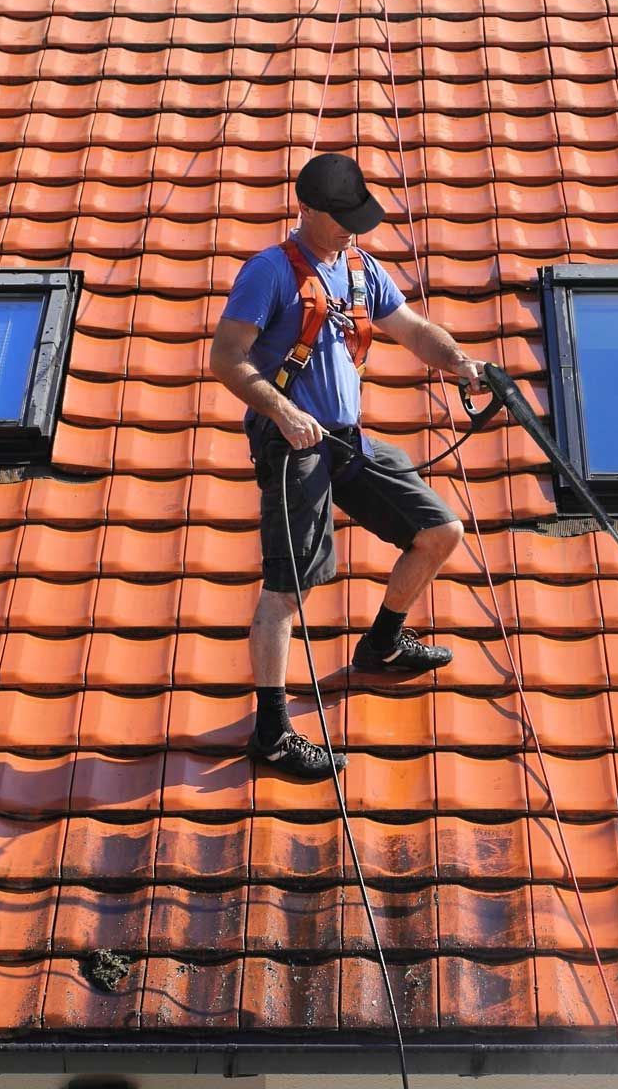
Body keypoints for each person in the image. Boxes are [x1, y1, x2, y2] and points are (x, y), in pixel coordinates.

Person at [209, 153, 485, 781]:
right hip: (292, 445)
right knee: (290, 587)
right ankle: (271, 732)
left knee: (439, 531)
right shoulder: (269, 272)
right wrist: (283, 412)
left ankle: (383, 642)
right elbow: (226, 359)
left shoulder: (359, 268)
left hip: (346, 439)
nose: (351, 231)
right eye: (342, 220)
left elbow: (411, 329)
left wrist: (460, 362)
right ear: (306, 209)